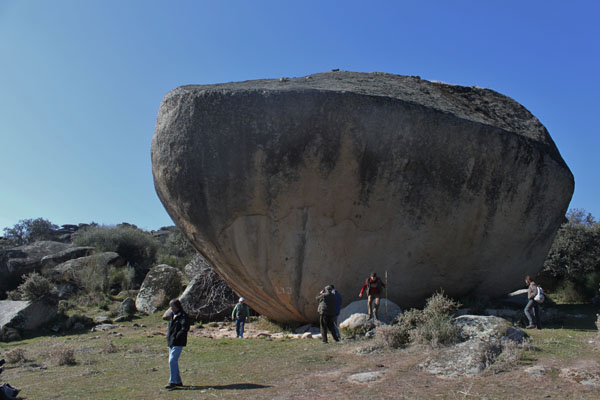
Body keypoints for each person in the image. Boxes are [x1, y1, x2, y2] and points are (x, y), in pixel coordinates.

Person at [165, 299, 190, 390]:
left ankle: (172, 381)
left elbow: (185, 328)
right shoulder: (172, 315)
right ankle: (178, 381)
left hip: (178, 342)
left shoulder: (183, 316)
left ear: (176, 306)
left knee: (172, 361)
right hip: (171, 341)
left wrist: (177, 337)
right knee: (173, 361)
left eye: (172, 306)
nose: (171, 308)